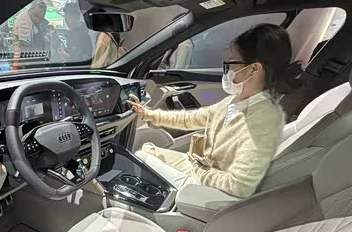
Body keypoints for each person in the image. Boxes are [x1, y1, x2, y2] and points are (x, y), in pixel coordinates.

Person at [128, 23, 302, 198]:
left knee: (140, 157)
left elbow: (240, 186)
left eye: (233, 62)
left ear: (254, 69)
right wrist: (149, 114)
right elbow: (191, 119)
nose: (229, 69)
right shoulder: (236, 101)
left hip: (207, 188)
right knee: (148, 150)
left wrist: (200, 171)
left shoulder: (264, 118)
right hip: (204, 169)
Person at [12, 0, 51, 68]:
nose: (38, 20)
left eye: (41, 17)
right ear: (30, 11)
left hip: (40, 59)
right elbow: (23, 44)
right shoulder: (23, 21)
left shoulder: (41, 23)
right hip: (26, 62)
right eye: (36, 16)